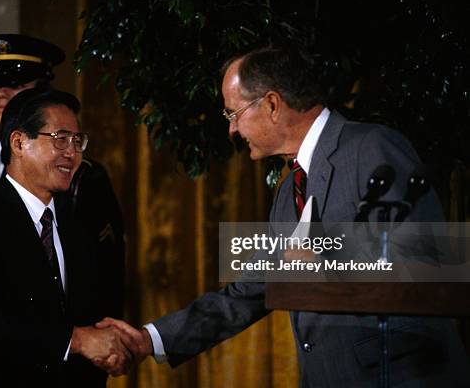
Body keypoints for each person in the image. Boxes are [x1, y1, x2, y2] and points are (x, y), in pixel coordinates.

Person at [95, 40, 470, 386]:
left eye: (233, 114)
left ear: (272, 104)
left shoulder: (370, 147)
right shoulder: (288, 191)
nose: (231, 129)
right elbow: (249, 292)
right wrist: (148, 339)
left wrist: (325, 253)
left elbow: (429, 259)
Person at [0, 34, 125, 385]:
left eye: (19, 83)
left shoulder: (79, 185)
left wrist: (104, 346)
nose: (3, 93)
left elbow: (103, 279)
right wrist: (76, 340)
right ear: (19, 142)